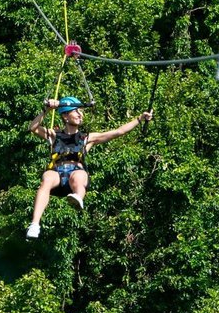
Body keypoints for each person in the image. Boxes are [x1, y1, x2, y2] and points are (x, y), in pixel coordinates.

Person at [25, 96, 153, 239]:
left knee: (78, 177)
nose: (80, 114)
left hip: (76, 172)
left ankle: (77, 197)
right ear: (65, 116)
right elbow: (33, 127)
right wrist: (46, 110)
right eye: (76, 111)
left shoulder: (86, 138)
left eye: (81, 111)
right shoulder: (54, 135)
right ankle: (35, 224)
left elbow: (118, 132)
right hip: (57, 175)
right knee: (47, 177)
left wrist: (140, 119)